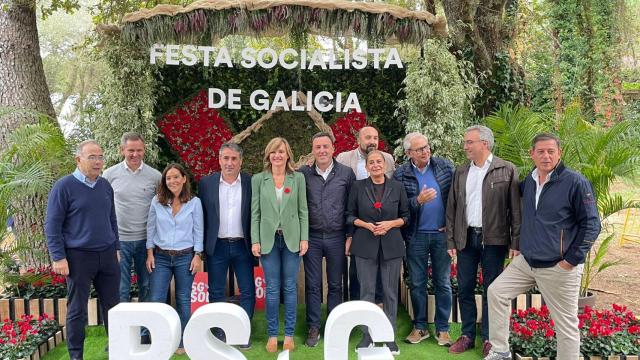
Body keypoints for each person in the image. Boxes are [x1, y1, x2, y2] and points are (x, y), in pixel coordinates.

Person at [484, 133, 600, 360]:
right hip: (527, 262)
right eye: (541, 151)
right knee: (496, 292)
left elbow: (592, 224)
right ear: (532, 154)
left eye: (551, 151)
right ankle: (500, 351)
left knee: (565, 324)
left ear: (559, 153)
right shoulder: (529, 181)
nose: (546, 156)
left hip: (559, 267)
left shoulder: (575, 182)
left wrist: (570, 261)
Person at [446, 125, 521, 356]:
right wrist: (450, 240)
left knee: (492, 290)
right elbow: (452, 208)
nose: (465, 146)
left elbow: (516, 210)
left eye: (470, 142)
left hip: (495, 240)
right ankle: (468, 335)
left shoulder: (506, 169)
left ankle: (489, 338)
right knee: (465, 287)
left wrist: (515, 243)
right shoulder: (460, 171)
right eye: (465, 142)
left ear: (484, 144)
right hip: (466, 238)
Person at [45, 140, 120, 360]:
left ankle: (118, 350)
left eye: (100, 157)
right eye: (92, 157)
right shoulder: (64, 186)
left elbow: (112, 218)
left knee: (113, 308)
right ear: (78, 159)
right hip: (78, 258)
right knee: (77, 310)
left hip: (107, 255)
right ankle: (76, 355)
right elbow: (52, 224)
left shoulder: (105, 185)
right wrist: (58, 257)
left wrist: (115, 246)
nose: (98, 162)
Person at [346, 150, 409, 356]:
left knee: (391, 292)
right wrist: (366, 225)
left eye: (378, 162)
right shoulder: (357, 187)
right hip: (365, 244)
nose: (375, 165)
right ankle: (367, 335)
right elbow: (349, 215)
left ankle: (389, 336)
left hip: (391, 246)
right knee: (367, 292)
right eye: (371, 162)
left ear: (385, 165)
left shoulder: (397, 187)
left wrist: (390, 224)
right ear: (366, 167)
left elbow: (406, 217)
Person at [393, 132, 454, 346]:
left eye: (427, 147)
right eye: (420, 149)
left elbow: (456, 198)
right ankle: (420, 327)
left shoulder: (445, 167)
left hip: (441, 235)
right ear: (409, 152)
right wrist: (417, 200)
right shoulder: (400, 174)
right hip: (415, 235)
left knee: (443, 282)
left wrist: (451, 224)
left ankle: (443, 329)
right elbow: (398, 206)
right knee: (417, 282)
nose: (426, 151)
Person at [251, 137, 309, 353]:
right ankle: (273, 335)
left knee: (290, 287)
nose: (277, 156)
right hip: (268, 240)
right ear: (268, 155)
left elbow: (303, 210)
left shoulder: (298, 178)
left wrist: (304, 238)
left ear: (288, 155)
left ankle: (290, 335)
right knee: (273, 289)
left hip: (292, 238)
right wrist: (255, 240)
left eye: (281, 152)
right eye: (274, 152)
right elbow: (255, 213)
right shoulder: (259, 179)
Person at [103, 132, 161, 345]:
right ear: (122, 151)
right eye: (131, 150)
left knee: (147, 287)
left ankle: (145, 334)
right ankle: (120, 338)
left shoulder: (155, 176)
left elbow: (161, 208)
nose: (135, 154)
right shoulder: (109, 175)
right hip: (119, 243)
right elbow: (102, 208)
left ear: (144, 150)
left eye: (139, 150)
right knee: (121, 290)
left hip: (147, 244)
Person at [299, 132, 355, 347]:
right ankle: (313, 327)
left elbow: (351, 207)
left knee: (335, 285)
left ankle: (334, 324)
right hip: (311, 237)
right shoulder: (302, 174)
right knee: (312, 285)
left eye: (325, 146)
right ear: (312, 150)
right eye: (317, 147)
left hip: (337, 236)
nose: (321, 151)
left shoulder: (346, 174)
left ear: (333, 148)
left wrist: (350, 235)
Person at [199, 142, 255, 349]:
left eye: (234, 159)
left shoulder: (251, 182)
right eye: (226, 158)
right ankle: (220, 331)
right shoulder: (206, 183)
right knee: (215, 291)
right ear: (219, 159)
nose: (229, 163)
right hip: (218, 246)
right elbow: (202, 215)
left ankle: (243, 331)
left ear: (241, 161)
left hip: (243, 245)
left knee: (248, 290)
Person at [146, 163, 203, 356]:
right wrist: (150, 253)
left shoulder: (195, 203)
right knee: (156, 300)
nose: (172, 181)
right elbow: (150, 228)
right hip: (160, 257)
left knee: (183, 300)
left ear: (184, 179)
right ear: (164, 181)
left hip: (185, 257)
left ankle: (182, 341)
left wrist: (197, 255)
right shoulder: (157, 201)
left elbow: (198, 231)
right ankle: (158, 340)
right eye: (168, 178)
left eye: (176, 177)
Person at [336, 126, 394, 303]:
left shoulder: (388, 159)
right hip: (357, 224)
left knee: (379, 272)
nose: (372, 141)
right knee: (357, 271)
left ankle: (378, 308)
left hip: (382, 226)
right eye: (368, 137)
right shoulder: (344, 158)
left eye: (375, 138)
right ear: (358, 140)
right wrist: (349, 232)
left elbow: (392, 190)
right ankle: (356, 308)